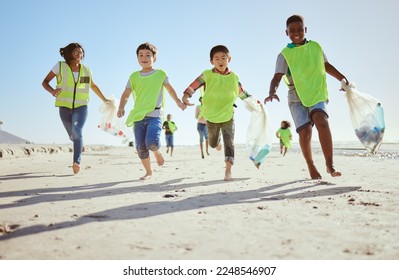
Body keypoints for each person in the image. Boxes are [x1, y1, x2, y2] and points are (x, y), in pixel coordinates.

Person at [264, 15, 348, 179]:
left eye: (299, 29)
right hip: (296, 97)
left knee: (322, 122)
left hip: (316, 91)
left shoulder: (316, 47)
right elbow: (277, 76)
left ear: (305, 30)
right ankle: (311, 165)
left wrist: (343, 79)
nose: (296, 33)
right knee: (306, 132)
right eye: (292, 30)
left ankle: (329, 165)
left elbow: (326, 65)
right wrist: (272, 91)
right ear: (286, 32)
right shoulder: (285, 54)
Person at [117, 42, 186, 180]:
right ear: (137, 58)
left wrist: (178, 101)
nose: (144, 57)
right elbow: (126, 94)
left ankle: (157, 151)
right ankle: (149, 172)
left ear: (154, 58)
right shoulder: (134, 76)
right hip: (138, 116)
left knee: (152, 142)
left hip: (155, 114)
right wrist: (121, 107)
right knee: (141, 147)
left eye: (148, 55)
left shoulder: (160, 74)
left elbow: (170, 89)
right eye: (141, 55)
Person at [183, 45, 251, 181]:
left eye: (223, 58)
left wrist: (253, 102)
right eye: (217, 58)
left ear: (229, 59)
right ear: (211, 61)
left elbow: (241, 92)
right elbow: (194, 85)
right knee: (213, 143)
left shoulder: (233, 77)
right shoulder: (207, 74)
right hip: (211, 116)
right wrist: (186, 95)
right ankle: (217, 142)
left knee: (229, 142)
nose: (220, 61)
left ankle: (228, 171)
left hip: (228, 114)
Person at [42, 42, 109, 175]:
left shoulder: (86, 70)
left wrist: (104, 99)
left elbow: (93, 86)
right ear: (69, 53)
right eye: (76, 52)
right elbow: (45, 82)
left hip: (81, 106)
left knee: (77, 131)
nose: (80, 54)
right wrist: (52, 91)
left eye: (81, 52)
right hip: (64, 105)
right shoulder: (60, 66)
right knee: (73, 134)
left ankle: (76, 162)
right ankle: (79, 143)